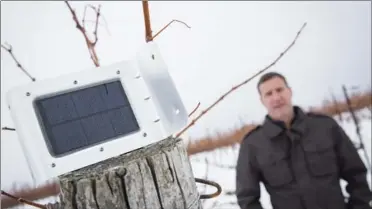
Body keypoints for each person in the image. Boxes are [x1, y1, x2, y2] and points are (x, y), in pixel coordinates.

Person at [235, 72, 372, 209]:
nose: (276, 97)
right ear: (262, 100)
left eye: (279, 90)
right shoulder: (253, 145)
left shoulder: (325, 127)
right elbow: (247, 198)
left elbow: (356, 174)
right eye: (269, 94)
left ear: (290, 91)